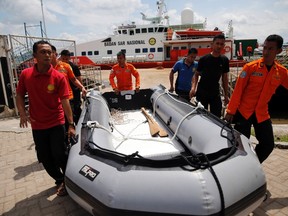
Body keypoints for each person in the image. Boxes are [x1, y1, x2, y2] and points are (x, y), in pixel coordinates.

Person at [16, 40, 75, 196]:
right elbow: (20, 94)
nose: (48, 55)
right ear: (34, 55)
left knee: (60, 154)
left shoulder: (59, 77)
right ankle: (60, 179)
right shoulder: (26, 74)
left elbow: (65, 102)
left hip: (56, 122)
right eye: (43, 52)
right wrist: (22, 113)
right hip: (37, 125)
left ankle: (69, 181)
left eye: (49, 52)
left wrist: (71, 124)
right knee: (44, 157)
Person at [224, 34, 288, 163]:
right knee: (240, 146)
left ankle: (253, 165)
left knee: (268, 144)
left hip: (262, 113)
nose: (266, 52)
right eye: (265, 48)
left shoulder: (281, 72)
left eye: (271, 49)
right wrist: (231, 111)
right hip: (243, 112)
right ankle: (239, 168)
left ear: (279, 51)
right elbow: (238, 90)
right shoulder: (250, 68)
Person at [189, 34, 230, 117]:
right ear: (212, 44)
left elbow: (225, 78)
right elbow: (196, 75)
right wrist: (193, 88)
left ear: (224, 46)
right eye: (217, 43)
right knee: (200, 116)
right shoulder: (204, 59)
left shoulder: (224, 60)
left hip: (215, 92)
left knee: (216, 116)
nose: (219, 46)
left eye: (221, 44)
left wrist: (226, 95)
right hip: (202, 91)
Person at [51, 46, 87, 126]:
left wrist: (82, 88)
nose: (47, 55)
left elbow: (75, 79)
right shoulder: (45, 69)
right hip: (54, 99)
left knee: (72, 116)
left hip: (69, 96)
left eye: (50, 52)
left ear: (55, 54)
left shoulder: (68, 66)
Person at [59, 49, 83, 124]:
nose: (65, 60)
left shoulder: (74, 67)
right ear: (61, 57)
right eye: (63, 59)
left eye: (66, 59)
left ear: (69, 58)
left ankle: (79, 124)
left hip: (74, 91)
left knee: (76, 108)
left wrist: (81, 89)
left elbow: (78, 79)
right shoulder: (59, 67)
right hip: (65, 92)